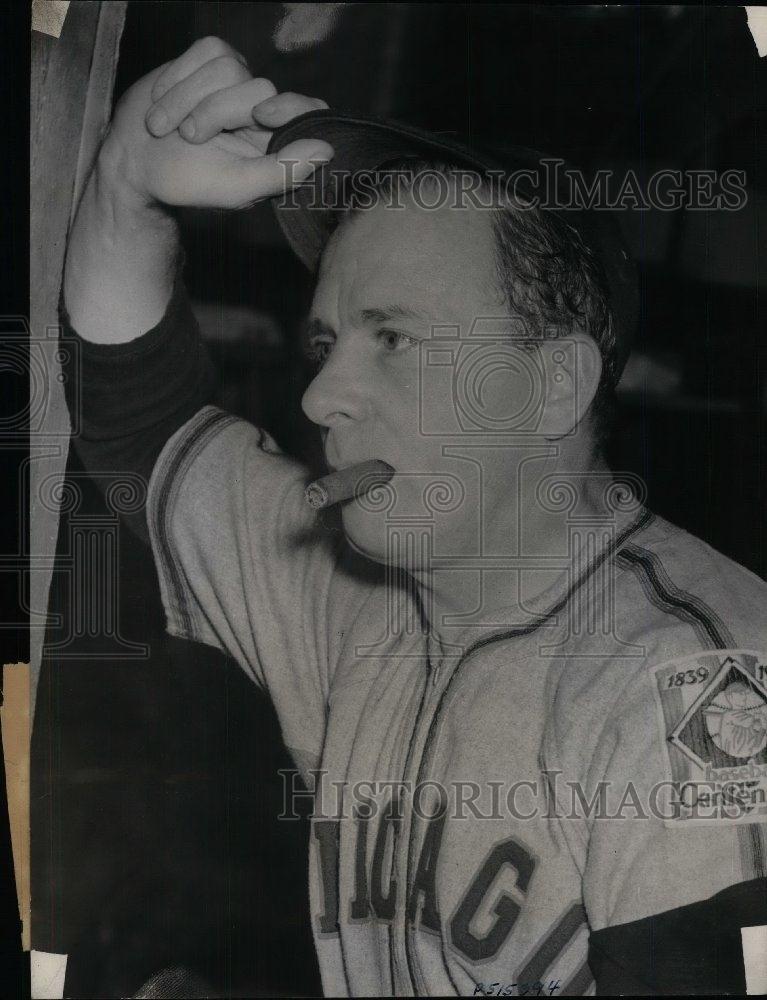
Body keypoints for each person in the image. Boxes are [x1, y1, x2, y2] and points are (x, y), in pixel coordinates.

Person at [61, 37, 766, 997]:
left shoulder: (697, 683)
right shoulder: (359, 593)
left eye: (393, 337)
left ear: (551, 386)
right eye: (326, 341)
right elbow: (141, 426)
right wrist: (122, 193)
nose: (319, 398)